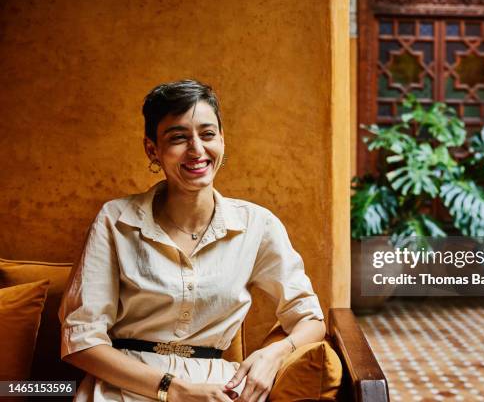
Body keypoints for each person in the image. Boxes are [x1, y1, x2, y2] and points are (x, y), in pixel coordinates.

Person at [59, 79, 326, 402]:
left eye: (208, 134)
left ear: (222, 140)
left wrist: (274, 354)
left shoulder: (257, 225)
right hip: (122, 387)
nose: (197, 149)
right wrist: (174, 388)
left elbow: (310, 318)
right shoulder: (115, 220)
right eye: (178, 137)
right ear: (152, 149)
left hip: (217, 390)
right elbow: (81, 341)